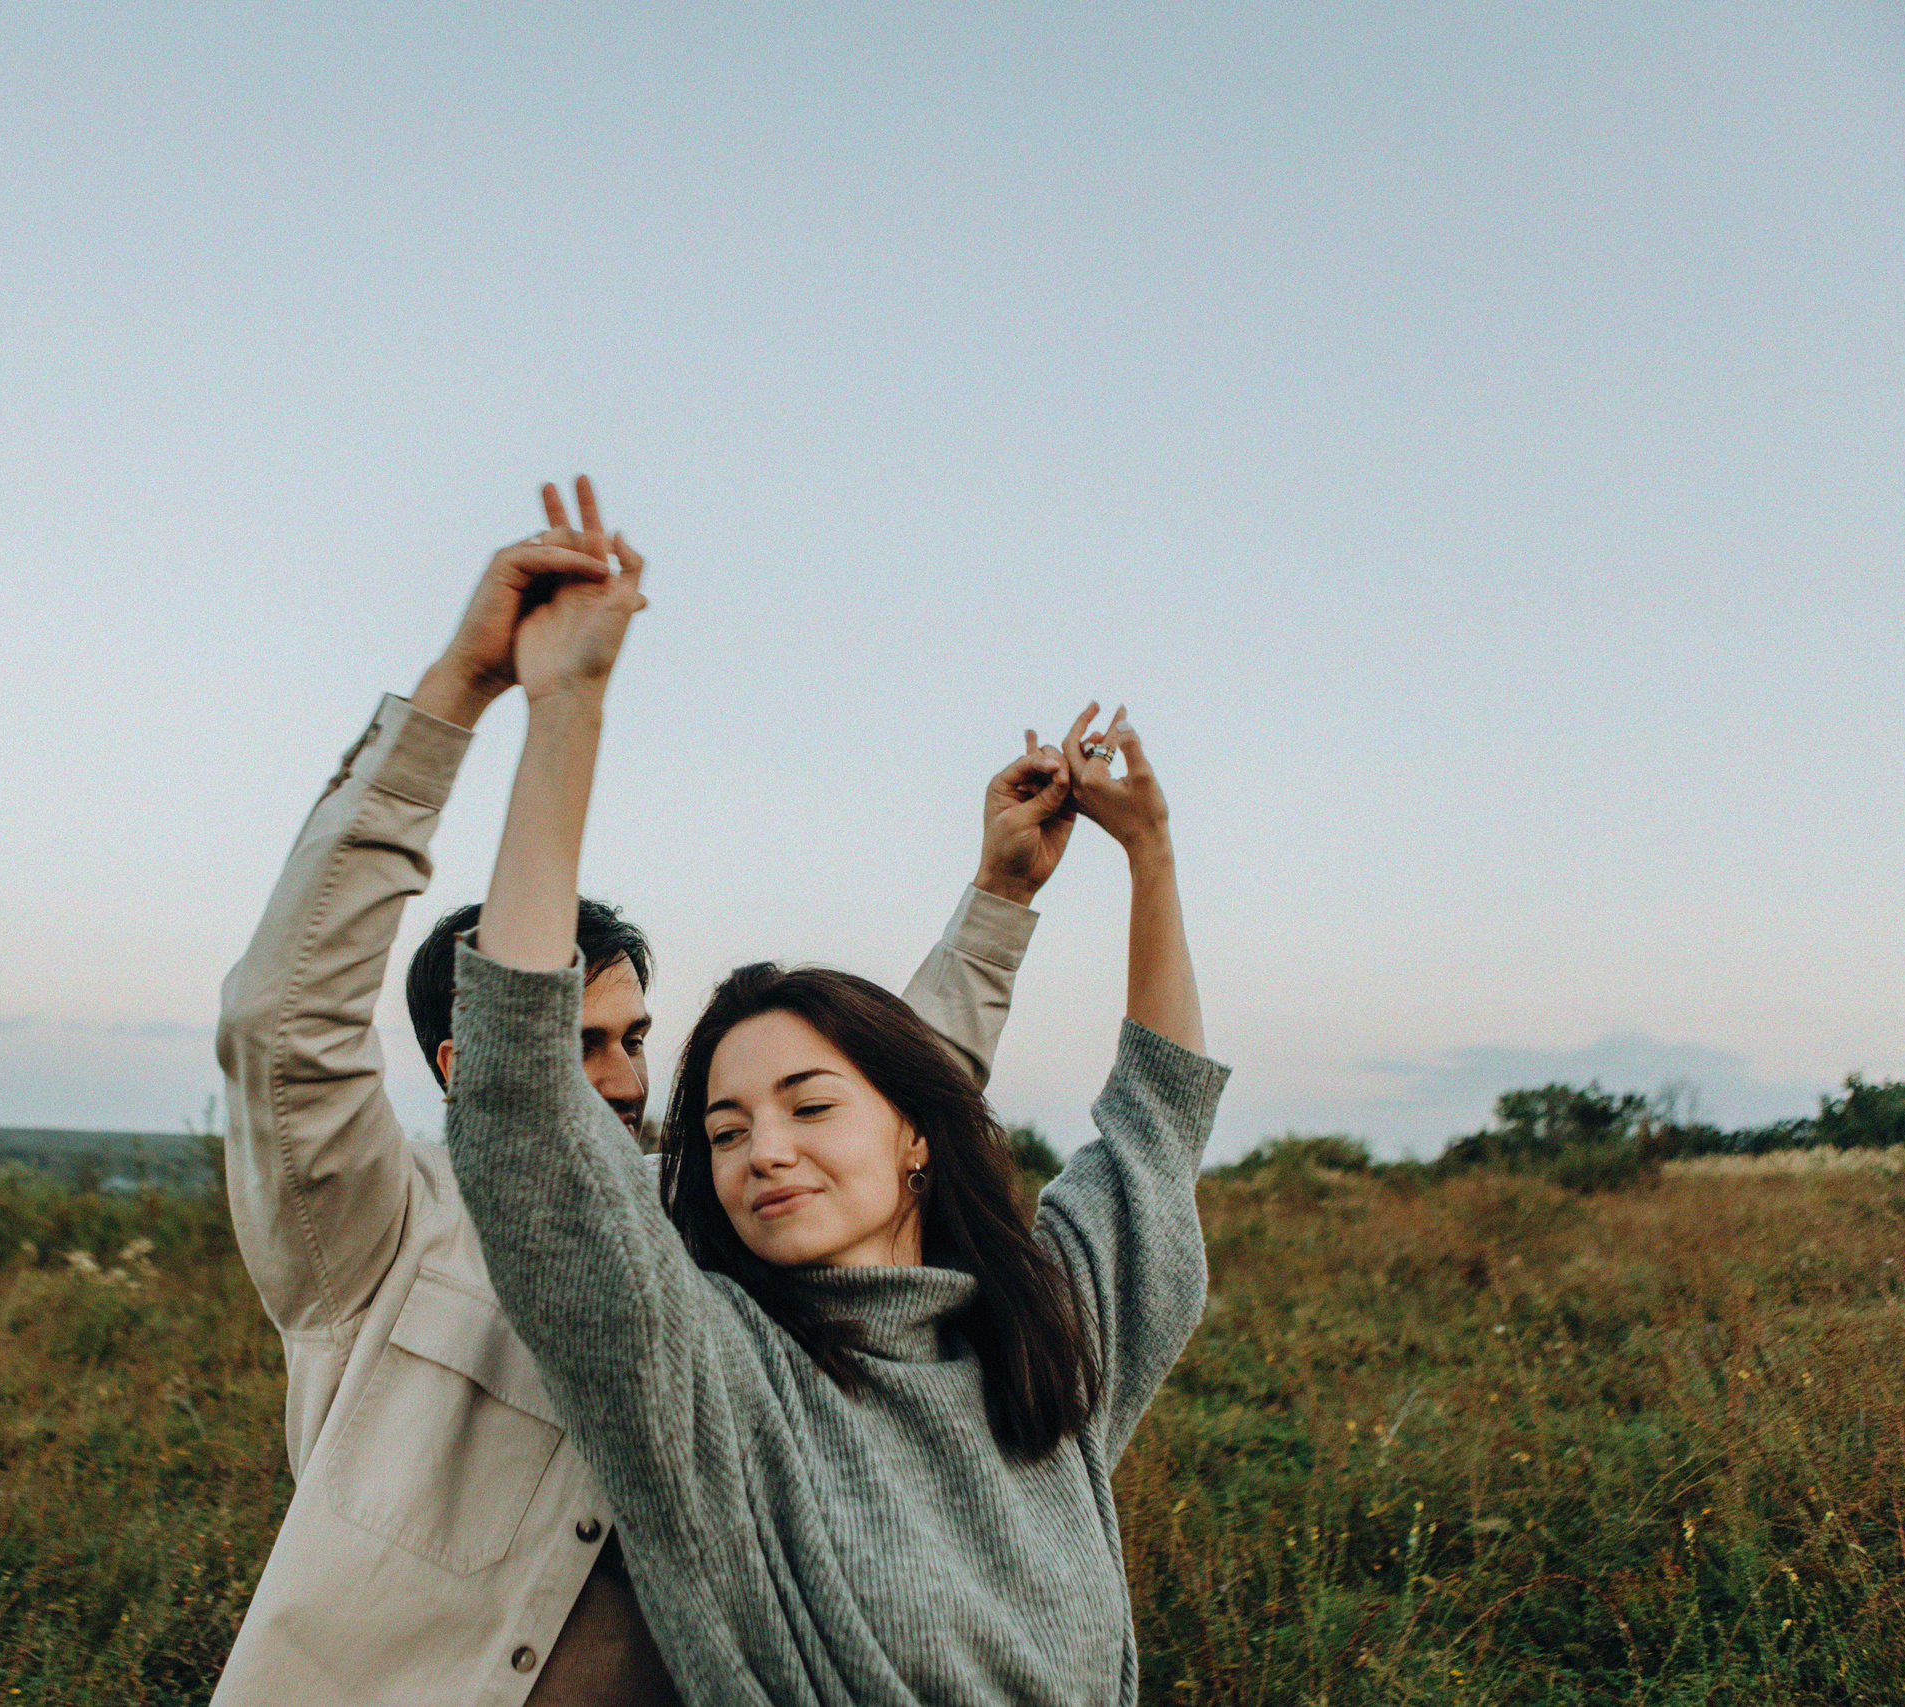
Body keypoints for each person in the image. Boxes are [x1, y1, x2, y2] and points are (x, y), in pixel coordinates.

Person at [209, 479, 1086, 1705]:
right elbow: (282, 1025)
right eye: (576, 1042)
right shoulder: (377, 1230)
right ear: (472, 1064)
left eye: (635, 1038)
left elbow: (879, 1103)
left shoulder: (701, 1238)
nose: (622, 1080)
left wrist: (999, 900)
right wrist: (461, 688)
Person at [445, 524, 1230, 1704]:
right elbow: (521, 1120)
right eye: (719, 1130)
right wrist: (562, 709)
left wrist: (1150, 857)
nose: (764, 1150)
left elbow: (1156, 1126)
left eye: (809, 1104)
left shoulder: (1043, 1334)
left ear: (920, 1127)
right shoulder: (705, 1379)